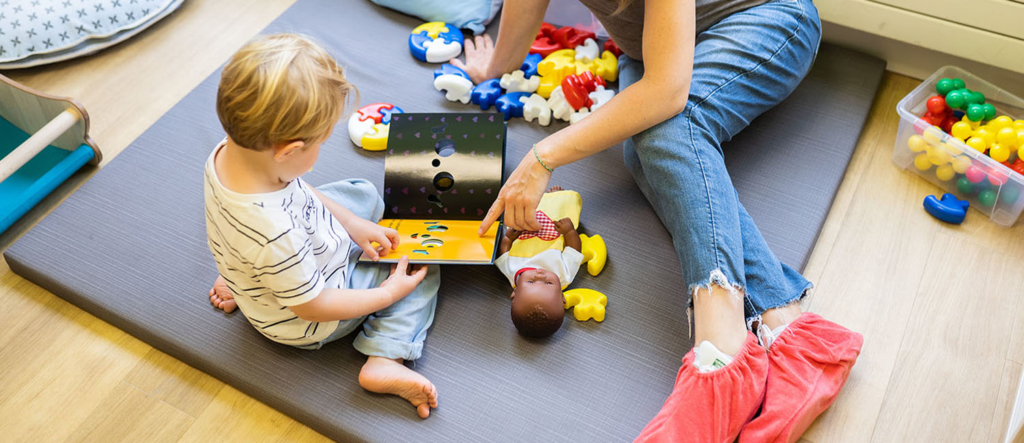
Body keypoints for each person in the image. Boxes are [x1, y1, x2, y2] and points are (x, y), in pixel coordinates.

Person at [453, 0, 863, 440]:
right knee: (646, 151)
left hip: (763, 18)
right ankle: (789, 330)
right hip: (650, 51)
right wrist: (494, 69)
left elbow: (668, 93)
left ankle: (722, 345)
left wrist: (542, 157)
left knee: (671, 125)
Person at [204, 33, 439, 419]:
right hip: (306, 315)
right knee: (419, 269)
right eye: (320, 143)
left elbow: (298, 190)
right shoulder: (274, 232)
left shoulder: (230, 152)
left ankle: (242, 279)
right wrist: (388, 294)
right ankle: (385, 356)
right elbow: (314, 307)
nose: (321, 150)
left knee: (360, 194)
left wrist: (350, 223)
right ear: (288, 151)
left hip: (265, 261)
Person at [495, 186, 585, 338]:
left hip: (524, 230)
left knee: (521, 209)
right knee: (558, 210)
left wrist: (508, 238)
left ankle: (533, 195)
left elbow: (503, 253)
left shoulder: (512, 273)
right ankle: (554, 197)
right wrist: (569, 232)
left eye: (530, 282)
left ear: (515, 292)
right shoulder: (564, 275)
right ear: (562, 297)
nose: (540, 275)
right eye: (549, 284)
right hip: (554, 228)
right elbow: (574, 250)